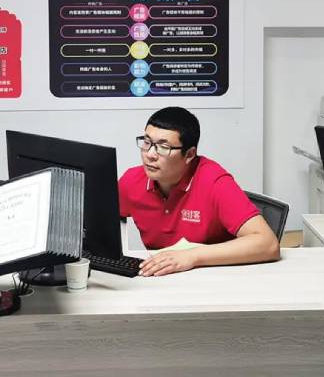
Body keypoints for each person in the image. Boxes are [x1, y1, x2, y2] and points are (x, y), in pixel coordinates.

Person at [119, 106, 280, 276]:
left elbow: (268, 244)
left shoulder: (214, 181)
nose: (150, 154)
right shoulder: (132, 181)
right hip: (161, 279)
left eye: (164, 147)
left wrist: (191, 256)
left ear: (189, 154)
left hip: (218, 278)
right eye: (147, 142)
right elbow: (101, 223)